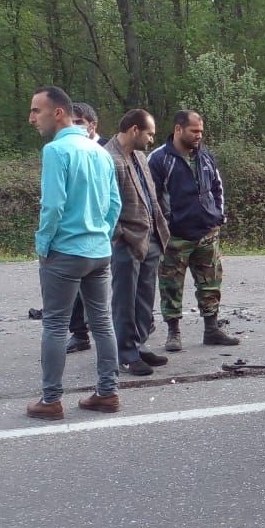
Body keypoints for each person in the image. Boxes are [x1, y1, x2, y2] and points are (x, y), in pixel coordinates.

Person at [27, 85, 122, 419]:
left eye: (36, 110)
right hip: (99, 251)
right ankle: (107, 393)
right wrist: (103, 235)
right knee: (103, 323)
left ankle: (51, 400)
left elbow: (52, 206)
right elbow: (114, 204)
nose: (31, 118)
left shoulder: (56, 151)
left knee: (55, 324)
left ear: (58, 113)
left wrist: (43, 246)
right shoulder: (101, 151)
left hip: (65, 251)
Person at [148, 110, 240, 351]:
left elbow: (217, 188)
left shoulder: (206, 156)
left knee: (210, 285)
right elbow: (151, 198)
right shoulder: (159, 159)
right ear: (178, 129)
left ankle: (212, 329)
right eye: (194, 131)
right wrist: (164, 228)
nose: (199, 135)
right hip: (175, 238)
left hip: (207, 234)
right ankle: (174, 333)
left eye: (201, 131)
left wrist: (218, 217)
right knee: (171, 287)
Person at [105, 109, 171, 375]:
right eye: (150, 133)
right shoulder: (108, 158)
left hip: (150, 237)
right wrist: (120, 235)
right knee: (125, 300)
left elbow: (150, 197)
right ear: (134, 130)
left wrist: (160, 229)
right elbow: (105, 205)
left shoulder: (141, 157)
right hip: (126, 241)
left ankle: (139, 344)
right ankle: (126, 353)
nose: (152, 139)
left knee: (144, 297)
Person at [64, 101, 110, 351]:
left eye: (79, 122)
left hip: (105, 230)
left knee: (107, 288)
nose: (75, 127)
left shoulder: (108, 150)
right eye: (72, 123)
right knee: (74, 285)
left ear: (92, 125)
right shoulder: (66, 149)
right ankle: (80, 334)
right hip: (76, 231)